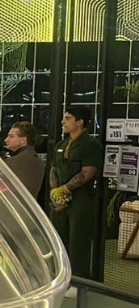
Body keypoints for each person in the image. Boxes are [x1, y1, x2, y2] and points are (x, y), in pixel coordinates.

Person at [49, 106, 104, 280]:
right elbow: (53, 170)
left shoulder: (90, 145)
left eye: (67, 118)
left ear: (79, 122)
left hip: (81, 200)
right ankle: (60, 278)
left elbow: (87, 172)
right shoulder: (62, 144)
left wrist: (66, 189)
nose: (62, 122)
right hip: (60, 201)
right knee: (58, 240)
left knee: (77, 244)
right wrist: (56, 193)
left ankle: (79, 282)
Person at [4, 121, 46, 200]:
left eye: (11, 136)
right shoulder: (37, 160)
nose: (6, 140)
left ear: (23, 140)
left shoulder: (14, 162)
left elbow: (3, 187)